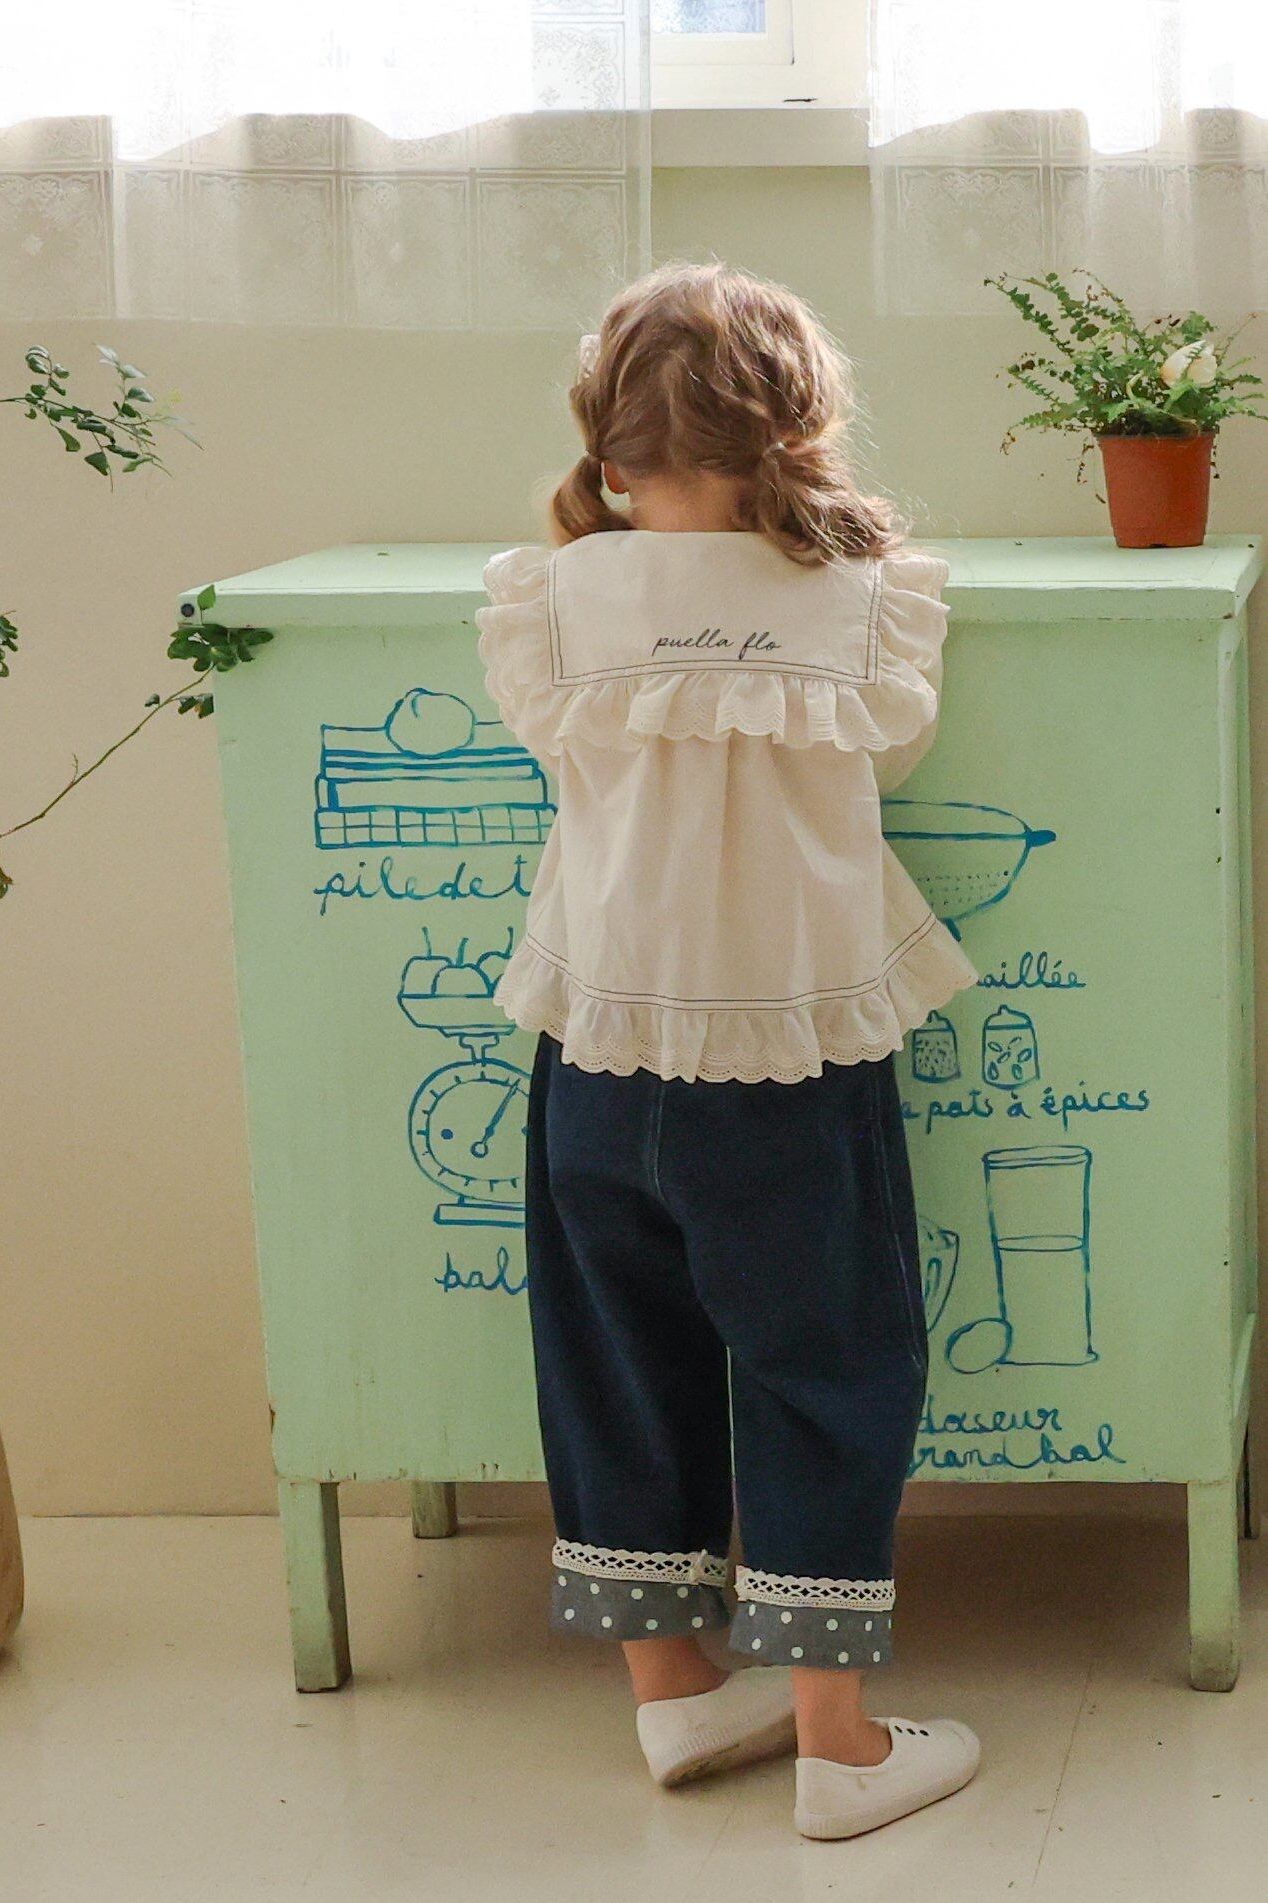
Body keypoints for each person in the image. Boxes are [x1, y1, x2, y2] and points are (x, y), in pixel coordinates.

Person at [475, 262, 980, 1841]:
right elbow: (900, 748)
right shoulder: (871, 600)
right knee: (826, 1365)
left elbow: (549, 739)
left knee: (615, 1360)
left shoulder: (546, 601)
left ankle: (674, 1689)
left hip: (598, 1049)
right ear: (797, 421)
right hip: (790, 1059)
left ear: (611, 439)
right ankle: (837, 1741)